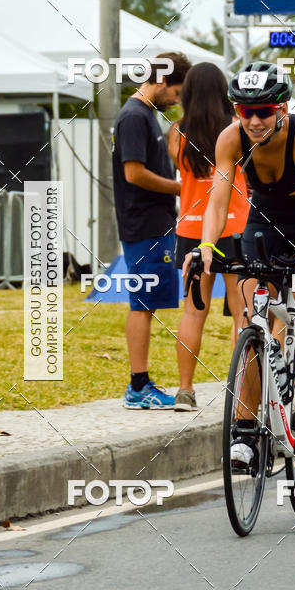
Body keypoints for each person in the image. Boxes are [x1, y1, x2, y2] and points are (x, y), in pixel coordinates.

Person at [183, 61, 295, 460]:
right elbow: (218, 201)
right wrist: (206, 245)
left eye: (264, 112)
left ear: (282, 108)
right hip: (265, 219)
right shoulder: (229, 138)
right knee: (252, 320)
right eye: (245, 112)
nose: (254, 120)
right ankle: (243, 430)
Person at [167, 62, 249, 411]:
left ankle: (185, 391)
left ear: (186, 94)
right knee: (243, 312)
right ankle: (242, 390)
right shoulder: (237, 130)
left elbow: (182, 172)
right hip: (236, 226)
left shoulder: (176, 133)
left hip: (192, 229)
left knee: (192, 312)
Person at [112, 51, 191, 409]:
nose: (177, 100)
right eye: (176, 93)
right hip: (142, 223)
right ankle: (138, 386)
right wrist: (183, 189)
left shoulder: (147, 115)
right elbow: (134, 174)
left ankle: (141, 383)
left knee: (148, 303)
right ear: (161, 82)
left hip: (155, 223)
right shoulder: (133, 117)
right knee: (141, 303)